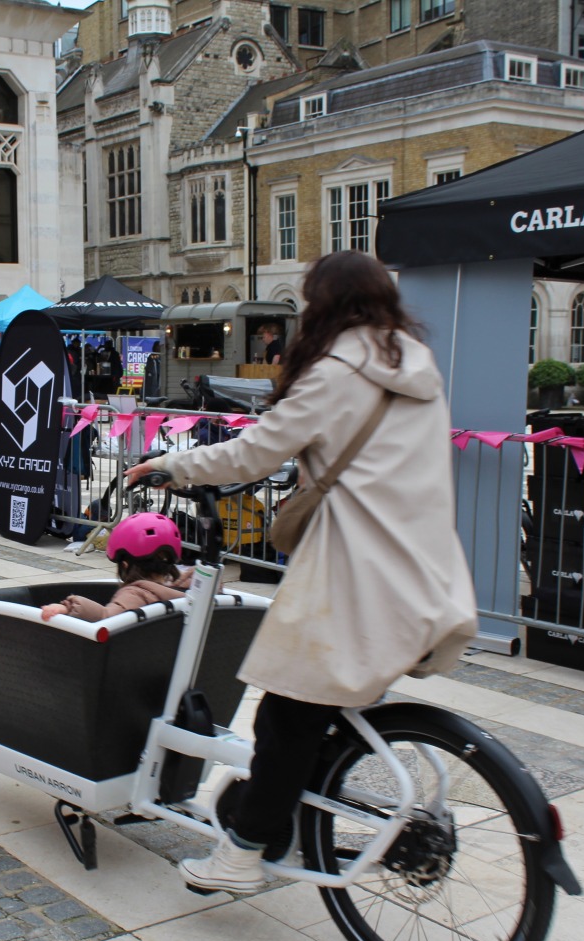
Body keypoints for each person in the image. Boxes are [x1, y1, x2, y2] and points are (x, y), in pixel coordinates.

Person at [125, 251, 477, 894]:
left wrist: (174, 466)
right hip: (425, 574)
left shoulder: (338, 372)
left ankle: (242, 856)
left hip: (356, 578)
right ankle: (287, 822)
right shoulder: (414, 367)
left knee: (282, 718)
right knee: (314, 712)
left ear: (324, 306)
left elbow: (256, 450)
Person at [39, 513, 194, 622]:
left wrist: (68, 608)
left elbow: (107, 618)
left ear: (125, 565)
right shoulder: (193, 591)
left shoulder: (135, 594)